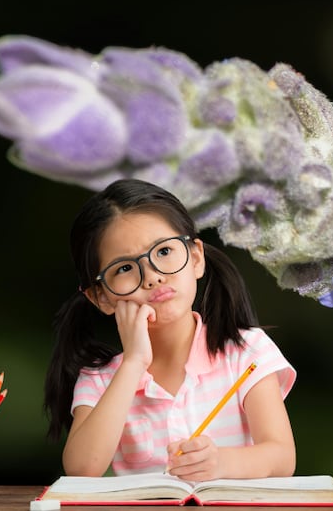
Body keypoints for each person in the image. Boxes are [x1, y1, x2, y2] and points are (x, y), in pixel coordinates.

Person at [43, 178, 296, 480]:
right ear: (101, 297)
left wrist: (221, 464)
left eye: (164, 252)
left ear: (196, 257)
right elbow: (82, 469)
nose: (152, 277)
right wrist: (134, 363)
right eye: (124, 268)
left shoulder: (247, 351)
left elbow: (282, 457)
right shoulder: (100, 379)